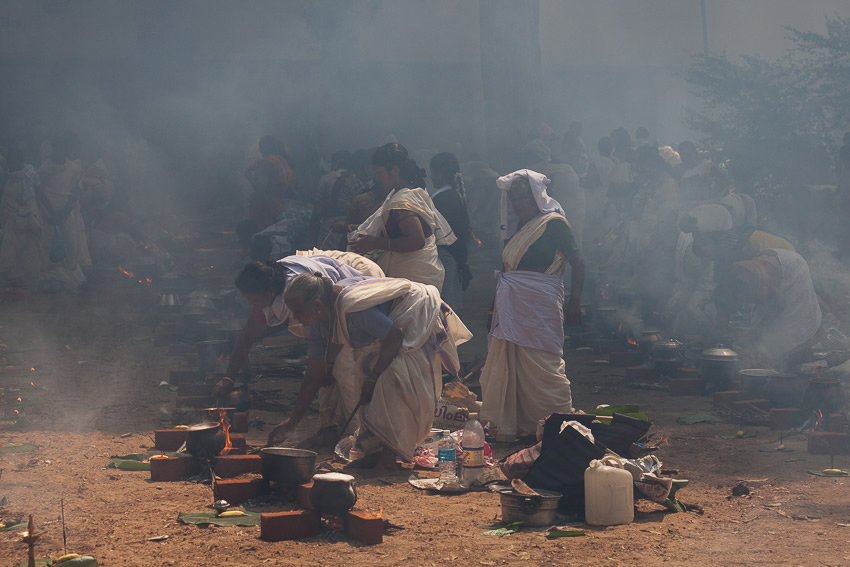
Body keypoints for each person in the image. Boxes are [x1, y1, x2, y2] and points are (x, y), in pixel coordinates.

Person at [270, 273, 472, 468]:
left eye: (297, 311)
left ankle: (388, 459)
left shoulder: (354, 309)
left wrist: (374, 378)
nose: (295, 317)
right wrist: (292, 421)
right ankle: (374, 454)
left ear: (316, 305)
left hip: (412, 320)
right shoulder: (320, 316)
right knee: (366, 388)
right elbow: (324, 356)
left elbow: (395, 335)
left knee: (391, 384)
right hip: (389, 334)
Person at [215, 252, 383, 439]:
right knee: (325, 369)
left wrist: (292, 421)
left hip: (357, 273)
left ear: (270, 292)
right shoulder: (271, 296)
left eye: (253, 300)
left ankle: (359, 436)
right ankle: (331, 428)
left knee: (345, 369)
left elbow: (315, 368)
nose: (251, 304)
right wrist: (228, 378)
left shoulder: (303, 298)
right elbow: (247, 338)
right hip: (326, 287)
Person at [479, 170, 584, 440]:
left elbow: (579, 264)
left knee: (546, 364)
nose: (519, 204)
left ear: (536, 197)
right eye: (514, 199)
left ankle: (558, 422)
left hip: (541, 303)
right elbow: (506, 272)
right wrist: (493, 308)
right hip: (511, 306)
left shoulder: (554, 224)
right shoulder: (516, 231)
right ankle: (524, 426)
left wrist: (575, 303)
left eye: (524, 198)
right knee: (512, 364)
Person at [348, 142, 454, 291]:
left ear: (395, 170)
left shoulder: (402, 201)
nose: (377, 178)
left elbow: (416, 241)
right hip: (420, 273)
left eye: (380, 172)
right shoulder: (411, 191)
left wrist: (374, 242)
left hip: (412, 279)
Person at [715, 249, 822, 368]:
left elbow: (779, 304)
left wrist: (762, 347)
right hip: (773, 266)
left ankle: (787, 364)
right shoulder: (732, 282)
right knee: (762, 337)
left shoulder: (754, 284)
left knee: (786, 334)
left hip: (792, 270)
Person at [36, 135, 91, 291]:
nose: (62, 151)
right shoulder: (45, 167)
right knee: (46, 243)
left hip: (67, 212)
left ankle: (68, 277)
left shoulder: (74, 169)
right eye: (59, 147)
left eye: (65, 147)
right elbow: (40, 191)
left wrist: (64, 212)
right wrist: (52, 213)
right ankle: (48, 277)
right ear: (54, 149)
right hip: (47, 212)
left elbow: (75, 192)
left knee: (70, 243)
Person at [429, 152, 471, 311]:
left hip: (446, 255)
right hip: (455, 255)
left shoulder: (442, 199)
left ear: (439, 174)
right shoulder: (453, 195)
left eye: (433, 173)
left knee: (447, 305)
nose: (431, 177)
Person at [0, 146, 42, 285]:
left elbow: (39, 195)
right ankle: (10, 281)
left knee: (29, 251)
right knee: (9, 251)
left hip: (29, 219)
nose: (13, 164)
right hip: (10, 219)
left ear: (22, 161)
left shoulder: (32, 175)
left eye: (16, 161)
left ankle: (27, 283)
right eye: (11, 161)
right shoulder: (5, 176)